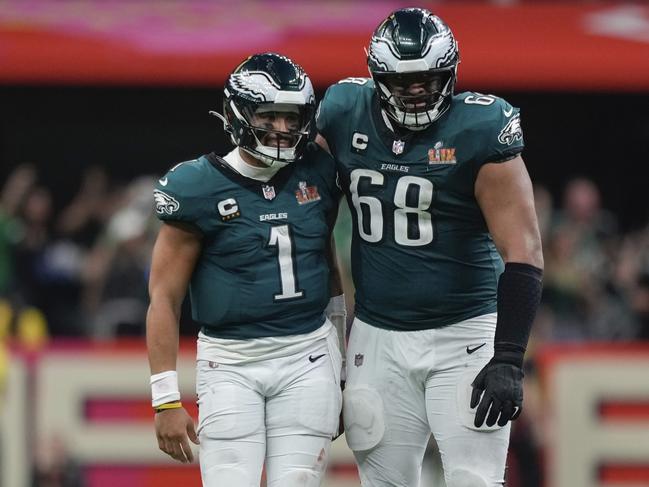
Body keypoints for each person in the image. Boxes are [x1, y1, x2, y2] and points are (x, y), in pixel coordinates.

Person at [316, 8, 543, 487]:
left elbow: (524, 251)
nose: (417, 91)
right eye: (403, 82)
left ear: (452, 74)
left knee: (473, 479)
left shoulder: (480, 128)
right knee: (382, 481)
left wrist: (507, 355)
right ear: (378, 78)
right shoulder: (341, 112)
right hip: (377, 335)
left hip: (465, 334)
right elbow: (306, 213)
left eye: (429, 79)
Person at [146, 52, 345, 487]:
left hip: (308, 354)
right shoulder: (197, 186)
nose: (283, 129)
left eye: (292, 118)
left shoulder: (319, 171)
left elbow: (327, 269)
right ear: (240, 114)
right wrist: (164, 400)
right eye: (269, 115)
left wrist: (341, 364)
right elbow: (164, 297)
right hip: (231, 360)